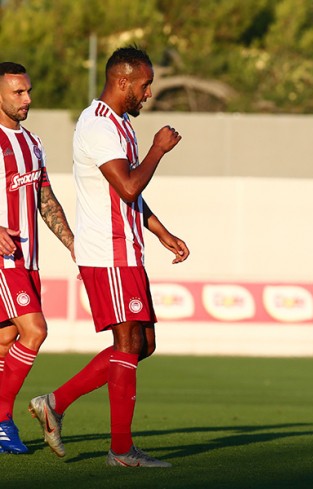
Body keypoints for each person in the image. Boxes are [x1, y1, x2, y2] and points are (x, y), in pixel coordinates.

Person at [28, 46, 189, 467]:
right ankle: (120, 450)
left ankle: (54, 403)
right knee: (127, 344)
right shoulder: (98, 125)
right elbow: (129, 185)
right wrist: (158, 150)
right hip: (108, 251)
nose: (148, 93)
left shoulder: (120, 124)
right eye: (145, 85)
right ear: (122, 82)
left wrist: (160, 231)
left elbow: (128, 193)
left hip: (127, 250)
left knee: (143, 345)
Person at [0, 62, 74, 454]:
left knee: (6, 339)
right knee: (35, 331)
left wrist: (74, 243)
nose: (27, 98)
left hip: (28, 259)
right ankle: (1, 420)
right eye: (18, 92)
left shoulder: (32, 142)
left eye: (28, 90)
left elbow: (45, 198)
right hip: (4, 259)